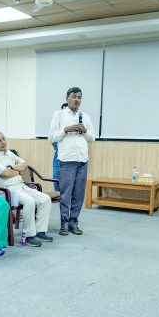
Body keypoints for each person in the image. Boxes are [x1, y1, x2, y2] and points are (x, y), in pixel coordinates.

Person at [0, 131, 53, 247]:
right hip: (6, 190)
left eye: (3, 139)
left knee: (45, 199)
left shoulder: (8, 152)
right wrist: (15, 170)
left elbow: (24, 164)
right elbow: (6, 173)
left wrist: (12, 168)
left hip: (20, 185)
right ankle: (28, 235)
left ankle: (40, 232)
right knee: (29, 201)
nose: (3, 142)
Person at [49, 87, 95, 235]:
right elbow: (51, 137)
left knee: (79, 194)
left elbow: (92, 139)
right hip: (66, 161)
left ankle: (73, 223)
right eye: (74, 96)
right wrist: (66, 129)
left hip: (82, 161)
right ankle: (64, 223)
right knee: (65, 194)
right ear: (67, 98)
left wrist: (85, 131)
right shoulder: (59, 115)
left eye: (79, 97)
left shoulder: (85, 116)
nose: (77, 99)